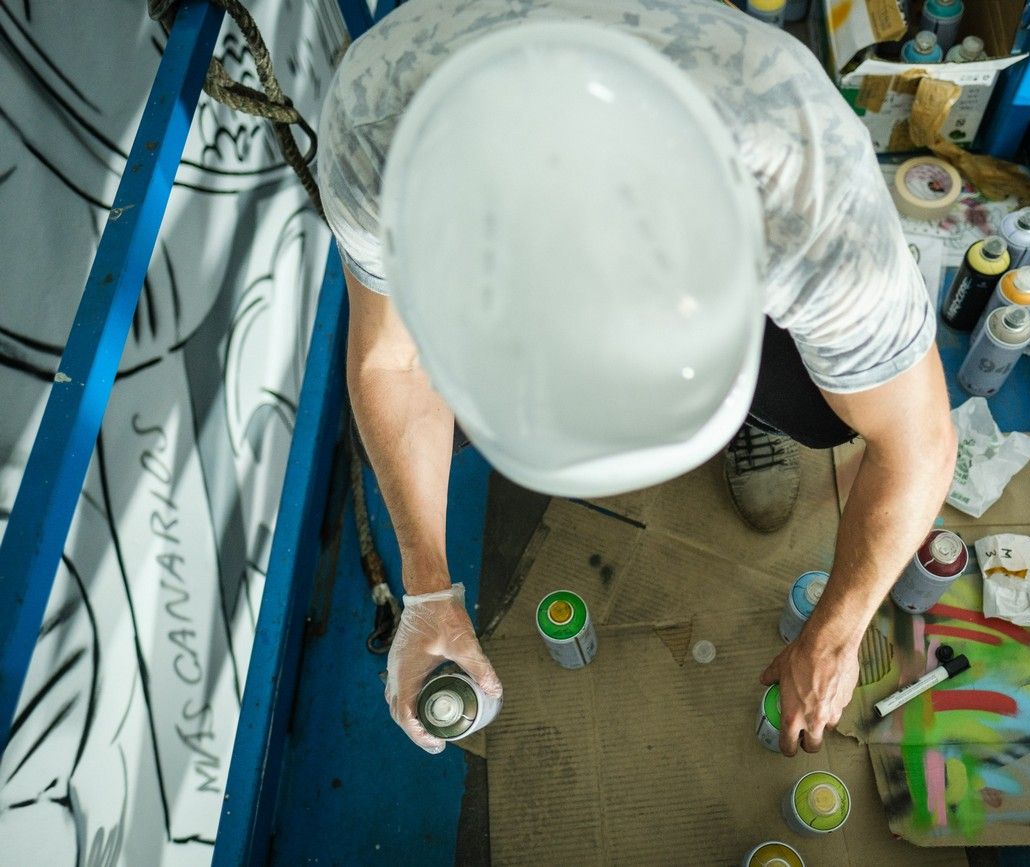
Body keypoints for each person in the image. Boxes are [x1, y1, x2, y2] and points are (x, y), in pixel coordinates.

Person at [317, 0, 956, 759]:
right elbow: (393, 359)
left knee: (834, 408)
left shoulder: (801, 183)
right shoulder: (377, 139)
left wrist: (840, 630)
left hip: (721, 84)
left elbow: (918, 440)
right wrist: (425, 583)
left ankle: (766, 410)